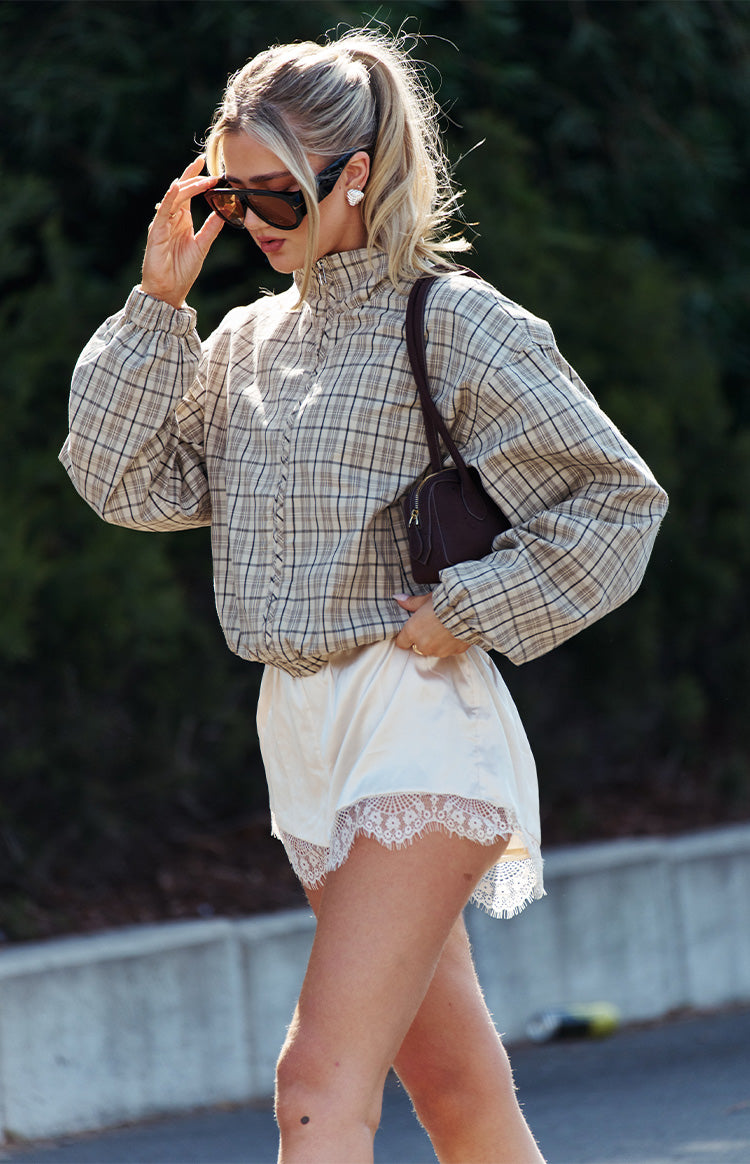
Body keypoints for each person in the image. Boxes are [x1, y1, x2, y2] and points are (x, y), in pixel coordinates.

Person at [61, 27, 668, 1164]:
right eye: (228, 194)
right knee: (461, 1098)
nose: (247, 221)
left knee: (315, 1085)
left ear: (353, 178)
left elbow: (616, 501)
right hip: (299, 733)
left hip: (415, 720)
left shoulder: (454, 321)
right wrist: (156, 306)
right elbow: (122, 483)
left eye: (271, 196)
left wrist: (476, 606)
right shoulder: (240, 344)